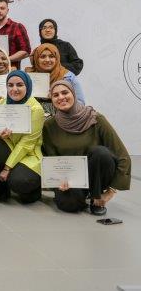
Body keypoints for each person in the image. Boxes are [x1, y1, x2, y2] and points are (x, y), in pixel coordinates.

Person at [42, 80, 130, 215]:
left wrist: (111, 191)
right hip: (70, 178)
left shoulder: (96, 119)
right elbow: (51, 157)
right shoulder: (49, 125)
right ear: (52, 100)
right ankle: (80, 195)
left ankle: (96, 195)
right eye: (56, 95)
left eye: (65, 92)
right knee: (69, 205)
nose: (61, 97)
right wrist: (59, 180)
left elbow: (122, 155)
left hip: (97, 175)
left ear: (74, 94)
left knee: (101, 153)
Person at [0, 71, 44, 204]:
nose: (14, 89)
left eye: (19, 85)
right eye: (10, 85)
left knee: (20, 183)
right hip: (9, 147)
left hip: (28, 154)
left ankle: (34, 189)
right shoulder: (1, 104)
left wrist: (7, 168)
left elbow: (26, 144)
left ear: (27, 86)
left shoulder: (36, 109)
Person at [27, 43, 85, 116]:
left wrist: (58, 98)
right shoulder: (28, 76)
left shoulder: (68, 77)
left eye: (51, 56)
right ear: (36, 59)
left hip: (62, 118)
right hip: (34, 117)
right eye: (43, 56)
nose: (47, 60)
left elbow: (80, 104)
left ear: (57, 58)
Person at [0, 0, 31, 69]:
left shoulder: (17, 27)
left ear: (7, 10)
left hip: (12, 72)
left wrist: (6, 60)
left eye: (2, 8)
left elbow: (26, 51)